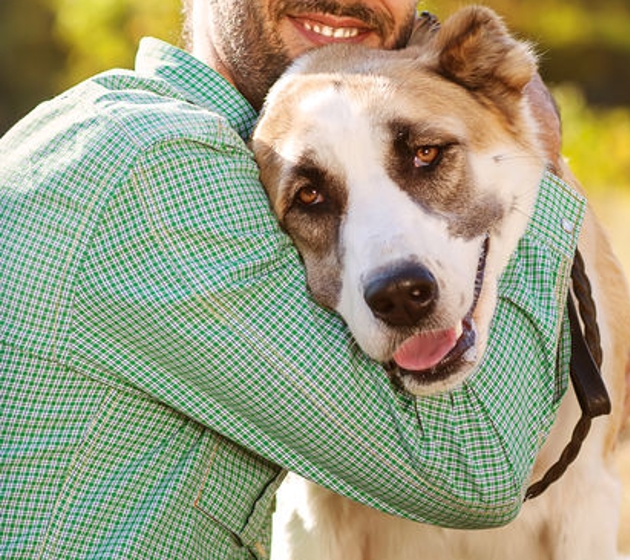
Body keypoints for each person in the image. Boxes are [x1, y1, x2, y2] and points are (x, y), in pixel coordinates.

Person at [0, 1, 586, 558]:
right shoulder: (155, 166)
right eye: (311, 197)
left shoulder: (180, 138)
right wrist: (528, 145)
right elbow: (471, 465)